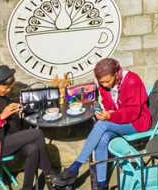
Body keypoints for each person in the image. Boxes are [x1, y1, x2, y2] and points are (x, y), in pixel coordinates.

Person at [53, 58, 150, 189]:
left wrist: (110, 115)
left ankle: (74, 168)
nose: (104, 85)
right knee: (102, 138)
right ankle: (102, 184)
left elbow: (133, 112)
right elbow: (109, 103)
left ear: (116, 73)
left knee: (102, 125)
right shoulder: (104, 83)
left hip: (137, 122)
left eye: (107, 81)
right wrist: (104, 112)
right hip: (119, 120)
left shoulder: (132, 80)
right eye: (101, 82)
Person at [0, 65, 56, 190]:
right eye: (5, 87)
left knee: (32, 148)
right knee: (37, 133)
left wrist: (13, 111)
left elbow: (8, 123)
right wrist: (1, 117)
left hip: (3, 138)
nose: (7, 90)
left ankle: (27, 188)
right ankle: (50, 175)